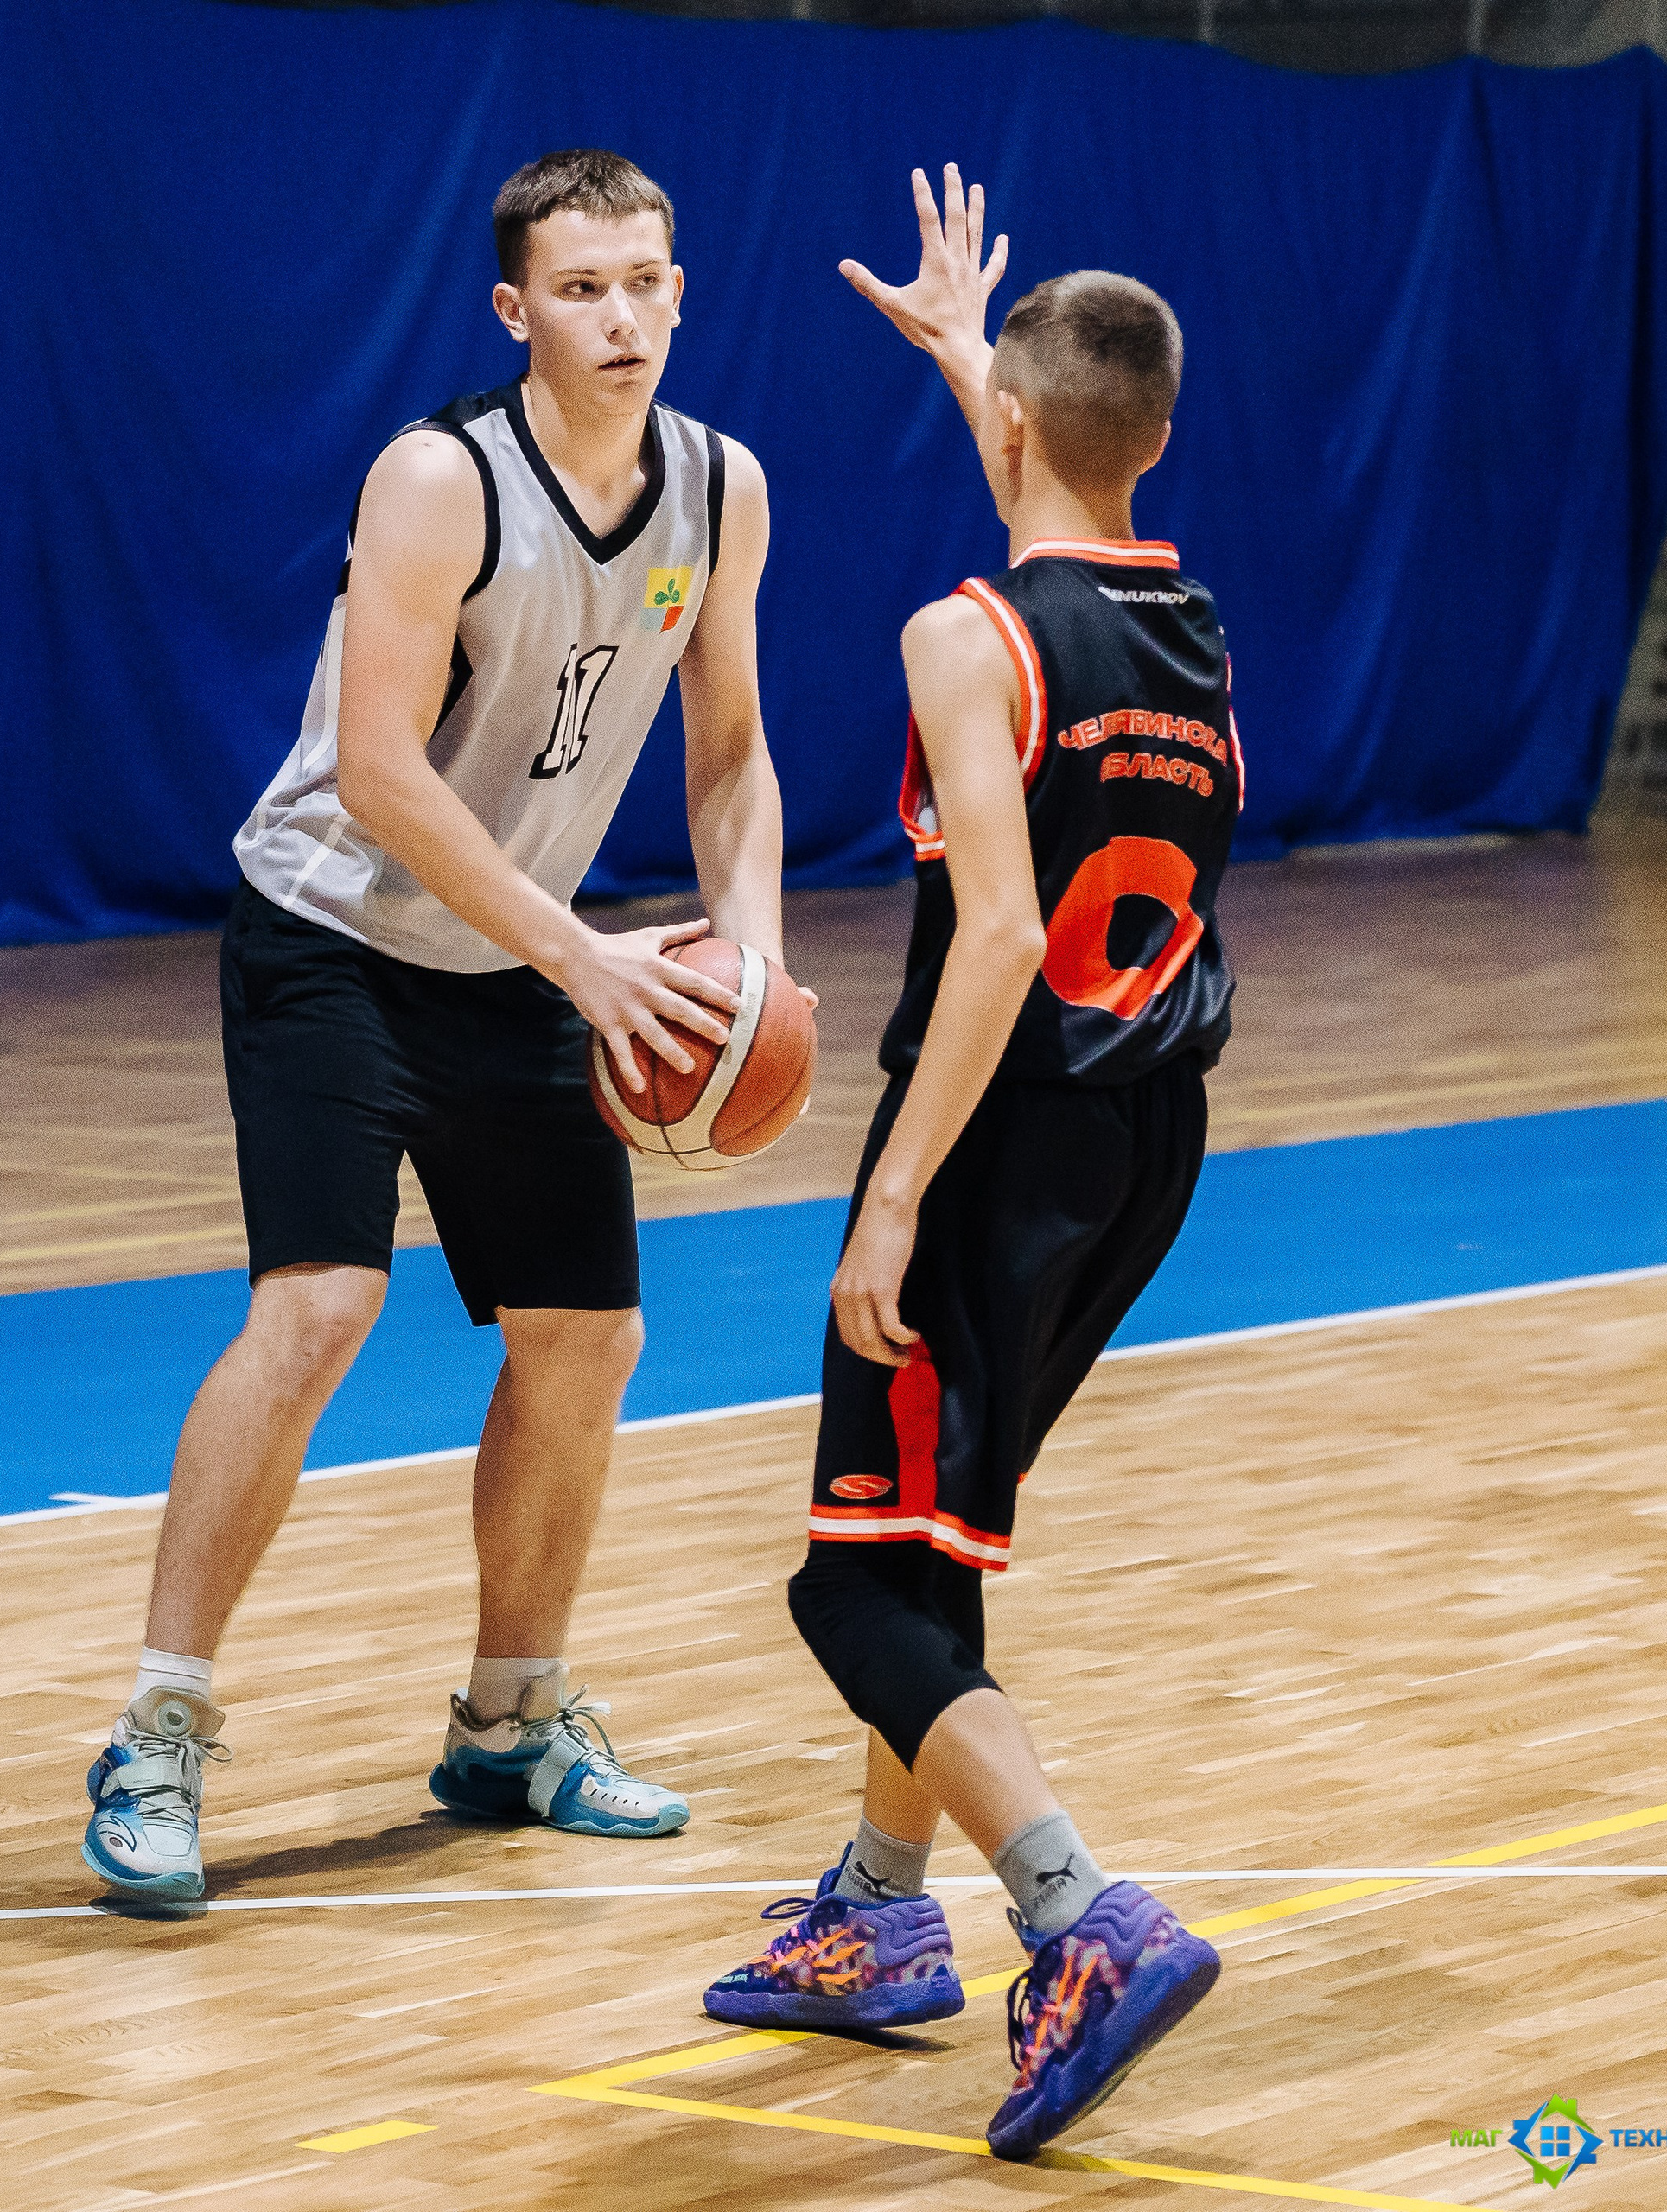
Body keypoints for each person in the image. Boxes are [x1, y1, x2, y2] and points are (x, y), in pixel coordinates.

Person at [82, 149, 795, 1903]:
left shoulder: (718, 488)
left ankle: (509, 1718)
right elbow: (384, 776)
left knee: (580, 1341)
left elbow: (729, 755)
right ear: (514, 308)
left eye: (643, 281)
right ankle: (156, 1728)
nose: (617, 316)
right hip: (334, 933)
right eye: (578, 288)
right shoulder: (439, 479)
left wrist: (753, 962)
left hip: (525, 961)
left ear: (680, 290)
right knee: (318, 1306)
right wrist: (585, 959)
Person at [703, 168, 1237, 2160]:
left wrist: (898, 1191)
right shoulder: (1186, 625)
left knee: (852, 1587)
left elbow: (999, 932)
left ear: (1018, 426)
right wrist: (972, 367)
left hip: (995, 1127)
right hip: (1144, 1141)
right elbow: (1059, 554)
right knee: (927, 1539)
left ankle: (1075, 1912)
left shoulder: (959, 630)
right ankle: (870, 1908)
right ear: (1153, 438)